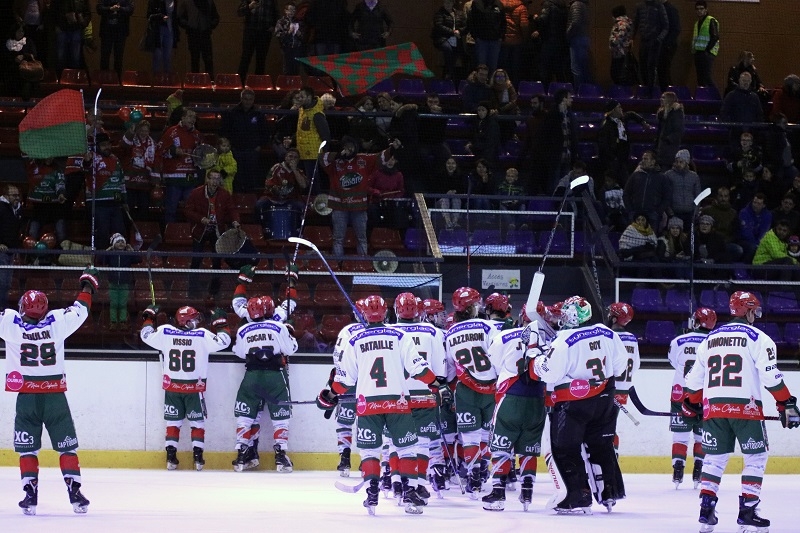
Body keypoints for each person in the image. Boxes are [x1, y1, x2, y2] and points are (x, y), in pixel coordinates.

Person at [684, 291, 799, 532]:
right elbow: (771, 377)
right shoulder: (759, 337)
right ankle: (748, 510)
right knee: (755, 459)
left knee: (714, 460)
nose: (755, 316)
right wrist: (786, 403)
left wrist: (692, 403)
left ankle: (706, 508)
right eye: (753, 311)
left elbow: (694, 381)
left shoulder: (709, 339)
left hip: (714, 409)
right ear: (747, 311)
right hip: (746, 409)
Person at [323, 294, 437, 515]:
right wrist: (436, 384)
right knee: (406, 449)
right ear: (386, 312)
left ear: (364, 314)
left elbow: (344, 380)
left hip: (368, 406)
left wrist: (329, 395)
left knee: (370, 452)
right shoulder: (400, 335)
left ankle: (372, 494)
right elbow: (419, 369)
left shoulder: (354, 340)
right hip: (398, 403)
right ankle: (410, 493)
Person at [2, 267, 99, 515]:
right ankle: (75, 493)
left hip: (27, 398)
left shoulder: (9, 324)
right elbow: (82, 308)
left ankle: (30, 495)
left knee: (28, 449)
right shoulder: (57, 323)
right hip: (55, 396)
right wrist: (87, 282)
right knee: (67, 447)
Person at [527, 295, 627, 513]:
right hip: (605, 401)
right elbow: (620, 367)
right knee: (601, 446)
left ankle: (576, 496)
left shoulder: (564, 340)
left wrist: (534, 355)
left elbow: (548, 373)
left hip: (574, 404)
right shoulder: (608, 332)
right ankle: (609, 492)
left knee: (565, 448)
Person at [140, 304, 231, 471]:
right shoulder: (202, 335)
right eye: (194, 319)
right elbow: (225, 341)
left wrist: (149, 317)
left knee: (172, 423)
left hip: (172, 388)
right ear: (188, 322)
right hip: (194, 389)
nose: (197, 321)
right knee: (197, 423)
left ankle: (171, 458)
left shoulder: (165, 332)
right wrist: (221, 324)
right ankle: (198, 458)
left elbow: (145, 335)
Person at [482, 305, 546, 511]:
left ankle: (498, 493)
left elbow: (494, 364)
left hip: (510, 397)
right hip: (537, 399)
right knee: (528, 448)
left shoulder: (505, 335)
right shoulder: (549, 338)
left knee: (501, 446)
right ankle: (527, 492)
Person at [443, 287, 503, 498]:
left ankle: (473, 478)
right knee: (486, 434)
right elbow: (499, 356)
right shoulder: (488, 327)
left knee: (469, 436)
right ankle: (483, 471)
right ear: (472, 307)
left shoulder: (450, 333)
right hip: (492, 389)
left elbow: (449, 370)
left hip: (466, 390)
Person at [230, 294, 298, 472]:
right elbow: (290, 349)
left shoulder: (243, 330)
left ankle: (241, 455)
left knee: (246, 417)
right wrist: (291, 335)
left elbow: (238, 353)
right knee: (280, 418)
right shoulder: (278, 326)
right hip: (275, 376)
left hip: (252, 376)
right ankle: (281, 457)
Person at [392, 292, 448, 503]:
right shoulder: (433, 332)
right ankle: (420, 485)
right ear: (419, 311)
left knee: (397, 442)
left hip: (398, 395)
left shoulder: (389, 333)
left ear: (396, 310)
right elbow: (440, 370)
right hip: (425, 393)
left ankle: (396, 481)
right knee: (423, 443)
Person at [320, 136, 400, 257]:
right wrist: (337, 156)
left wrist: (392, 148)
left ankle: (362, 265)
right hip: (339, 207)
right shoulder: (335, 162)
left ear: (356, 147)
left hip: (359, 208)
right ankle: (337, 266)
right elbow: (321, 158)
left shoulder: (363, 159)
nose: (348, 149)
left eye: (351, 147)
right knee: (338, 239)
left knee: (362, 238)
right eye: (346, 147)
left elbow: (381, 157)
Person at [667, 307, 716, 489]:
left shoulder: (679, 340)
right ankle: (699, 468)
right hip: (706, 395)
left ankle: (678, 469)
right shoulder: (716, 341)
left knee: (680, 436)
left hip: (680, 393)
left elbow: (673, 361)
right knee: (700, 436)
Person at [316, 299, 366, 477]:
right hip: (372, 386)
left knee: (344, 420)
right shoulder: (383, 331)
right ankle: (368, 461)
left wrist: (334, 383)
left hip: (348, 385)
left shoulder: (347, 331)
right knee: (369, 423)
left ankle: (344, 459)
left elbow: (338, 358)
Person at [184, 169, 240, 271]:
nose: (215, 181)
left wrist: (235, 220)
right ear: (207, 179)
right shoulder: (196, 193)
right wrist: (201, 219)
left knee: (217, 260)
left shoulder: (225, 194)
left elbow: (232, 209)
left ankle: (215, 285)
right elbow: (188, 211)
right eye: (213, 178)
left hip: (217, 230)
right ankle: (192, 284)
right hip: (200, 230)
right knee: (196, 259)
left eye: (218, 179)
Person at [155, 108, 203, 223]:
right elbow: (159, 152)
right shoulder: (171, 132)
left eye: (194, 117)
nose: (193, 119)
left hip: (190, 179)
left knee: (191, 210)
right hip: (174, 179)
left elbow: (201, 157)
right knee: (171, 210)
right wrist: (172, 152)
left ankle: (189, 235)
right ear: (183, 117)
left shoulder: (197, 135)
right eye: (190, 116)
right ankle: (169, 234)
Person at [84, 131, 128, 250]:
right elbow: (86, 168)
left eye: (109, 144)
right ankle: (101, 261)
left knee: (120, 233)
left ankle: (117, 261)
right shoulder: (92, 157)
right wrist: (87, 161)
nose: (108, 147)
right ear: (97, 146)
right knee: (102, 233)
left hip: (115, 203)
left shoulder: (115, 159)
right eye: (104, 145)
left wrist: (124, 200)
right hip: (98, 203)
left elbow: (121, 180)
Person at [220, 88, 268, 195]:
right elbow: (225, 131)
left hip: (252, 151)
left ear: (253, 100)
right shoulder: (231, 113)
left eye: (250, 99)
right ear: (241, 99)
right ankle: (237, 198)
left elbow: (265, 132)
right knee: (236, 175)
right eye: (245, 99)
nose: (248, 102)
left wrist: (259, 146)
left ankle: (250, 198)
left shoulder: (258, 114)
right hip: (236, 150)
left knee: (250, 176)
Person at [606, 302, 639, 453]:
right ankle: (613, 455)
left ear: (614, 319)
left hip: (607, 388)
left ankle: (608, 458)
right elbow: (636, 364)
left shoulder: (608, 336)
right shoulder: (632, 338)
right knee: (611, 424)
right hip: (623, 389)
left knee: (602, 426)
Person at [256, 147, 307, 236]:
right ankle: (262, 231)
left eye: (295, 157)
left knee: (302, 207)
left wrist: (294, 170)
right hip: (272, 198)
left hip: (291, 199)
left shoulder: (299, 171)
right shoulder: (276, 167)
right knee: (259, 204)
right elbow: (268, 184)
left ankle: (299, 233)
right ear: (285, 157)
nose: (292, 159)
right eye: (290, 156)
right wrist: (278, 190)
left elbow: (304, 185)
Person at [597, 99, 649, 186]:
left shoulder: (622, 119)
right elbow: (604, 145)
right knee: (614, 183)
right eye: (619, 107)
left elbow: (631, 114)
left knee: (625, 182)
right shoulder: (606, 126)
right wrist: (613, 158)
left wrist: (642, 121)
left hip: (623, 158)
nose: (621, 109)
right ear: (613, 110)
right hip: (613, 160)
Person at [623, 150, 670, 231]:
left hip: (652, 215)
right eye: (643, 159)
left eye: (646, 159)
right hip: (635, 213)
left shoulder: (662, 177)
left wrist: (658, 212)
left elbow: (667, 197)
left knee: (650, 241)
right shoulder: (635, 175)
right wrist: (630, 210)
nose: (643, 161)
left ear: (653, 161)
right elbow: (626, 194)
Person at [541, 88, 577, 193]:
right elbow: (546, 136)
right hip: (555, 156)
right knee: (554, 182)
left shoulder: (570, 115)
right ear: (563, 99)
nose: (572, 100)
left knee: (565, 184)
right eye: (569, 97)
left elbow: (573, 136)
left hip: (568, 155)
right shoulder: (552, 115)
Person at [295, 86, 331, 193]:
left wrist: (324, 153)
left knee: (313, 181)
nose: (299, 99)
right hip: (302, 150)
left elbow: (326, 136)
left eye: (302, 97)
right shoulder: (302, 110)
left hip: (313, 153)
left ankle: (315, 202)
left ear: (309, 97)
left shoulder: (317, 114)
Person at [25, 157, 68, 245]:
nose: (49, 159)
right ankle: (32, 256)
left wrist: (61, 194)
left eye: (51, 157)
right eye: (47, 156)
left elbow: (60, 183)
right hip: (38, 207)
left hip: (55, 207)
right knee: (32, 232)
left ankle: (62, 255)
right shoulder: (33, 167)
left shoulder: (57, 169)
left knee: (61, 233)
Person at [103, 232, 139, 331]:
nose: (120, 244)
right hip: (113, 283)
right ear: (113, 244)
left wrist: (132, 251)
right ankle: (113, 322)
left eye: (122, 242)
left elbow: (138, 259)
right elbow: (101, 260)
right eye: (118, 242)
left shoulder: (127, 255)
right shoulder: (110, 255)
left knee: (123, 304)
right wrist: (106, 252)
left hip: (124, 283)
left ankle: (123, 322)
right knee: (114, 303)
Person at [236, 0, 278, 84]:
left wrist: (273, 26)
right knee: (245, 58)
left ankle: (258, 84)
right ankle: (240, 82)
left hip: (265, 32)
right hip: (250, 31)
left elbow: (276, 14)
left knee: (261, 59)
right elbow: (239, 12)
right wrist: (249, 6)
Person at [120, 119, 156, 216]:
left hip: (144, 181)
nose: (144, 133)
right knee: (129, 207)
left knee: (144, 208)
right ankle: (127, 230)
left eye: (146, 131)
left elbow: (154, 162)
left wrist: (155, 180)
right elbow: (124, 144)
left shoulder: (152, 143)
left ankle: (142, 228)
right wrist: (131, 132)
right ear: (138, 130)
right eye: (142, 130)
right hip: (130, 180)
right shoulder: (132, 139)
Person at [632, 0, 668, 91]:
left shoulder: (659, 6)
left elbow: (666, 26)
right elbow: (635, 23)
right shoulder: (640, 6)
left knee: (651, 67)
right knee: (643, 66)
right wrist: (631, 38)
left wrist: (659, 39)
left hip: (654, 41)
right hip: (644, 40)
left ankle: (650, 90)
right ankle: (645, 89)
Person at [177, 0, 219, 78]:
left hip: (204, 34)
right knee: (195, 60)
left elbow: (216, 17)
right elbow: (179, 18)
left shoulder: (209, 2)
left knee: (207, 60)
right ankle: (196, 82)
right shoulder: (187, 2)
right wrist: (188, 25)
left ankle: (208, 82)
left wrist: (209, 25)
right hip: (194, 34)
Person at [664, 149, 701, 230]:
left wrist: (695, 212)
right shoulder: (668, 175)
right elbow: (665, 194)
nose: (678, 164)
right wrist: (670, 212)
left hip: (690, 213)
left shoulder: (694, 176)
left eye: (681, 162)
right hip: (674, 212)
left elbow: (698, 195)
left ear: (686, 162)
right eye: (677, 161)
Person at [96, 0, 133, 78]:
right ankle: (103, 81)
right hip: (106, 31)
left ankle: (117, 82)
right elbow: (99, 9)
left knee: (118, 59)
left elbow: (130, 9)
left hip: (121, 32)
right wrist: (110, 9)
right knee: (104, 58)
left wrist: (119, 9)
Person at [52, 0, 91, 73]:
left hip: (76, 29)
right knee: (61, 58)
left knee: (75, 58)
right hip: (62, 29)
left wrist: (82, 24)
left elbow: (87, 13)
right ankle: (61, 80)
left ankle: (73, 80)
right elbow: (53, 11)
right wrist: (57, 25)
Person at [0, 184, 22, 311]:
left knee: (7, 283)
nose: (17, 198)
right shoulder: (1, 208)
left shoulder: (18, 209)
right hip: (1, 252)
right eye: (14, 195)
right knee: (2, 282)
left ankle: (3, 308)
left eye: (18, 195)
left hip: (11, 251)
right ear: (6, 196)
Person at [467, 0, 505, 74]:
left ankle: (491, 85)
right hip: (481, 41)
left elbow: (503, 22)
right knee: (481, 67)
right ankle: (480, 85)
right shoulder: (477, 3)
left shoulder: (499, 4)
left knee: (493, 67)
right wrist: (475, 36)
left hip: (495, 41)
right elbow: (471, 21)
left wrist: (501, 36)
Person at [432, 0, 467, 81]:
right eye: (446, 3)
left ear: (453, 3)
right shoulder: (439, 13)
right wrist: (452, 32)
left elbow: (465, 26)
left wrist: (460, 31)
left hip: (457, 39)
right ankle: (449, 74)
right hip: (442, 39)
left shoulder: (459, 14)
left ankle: (455, 77)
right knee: (448, 49)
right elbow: (439, 26)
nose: (447, 4)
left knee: (464, 55)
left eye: (449, 2)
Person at [691, 0, 719, 90]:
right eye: (697, 9)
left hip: (707, 53)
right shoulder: (697, 23)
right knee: (700, 78)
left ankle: (716, 97)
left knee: (707, 77)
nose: (699, 11)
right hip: (698, 53)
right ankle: (703, 97)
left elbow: (715, 37)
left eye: (701, 9)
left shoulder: (711, 20)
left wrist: (707, 50)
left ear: (706, 9)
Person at [146, 0, 180, 74]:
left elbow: (176, 16)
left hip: (170, 28)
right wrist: (161, 16)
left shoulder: (174, 1)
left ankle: (167, 80)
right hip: (158, 29)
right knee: (157, 55)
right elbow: (149, 15)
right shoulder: (155, 1)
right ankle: (156, 80)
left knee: (168, 56)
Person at [655, 91, 684, 169]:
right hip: (661, 148)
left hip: (669, 149)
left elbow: (678, 131)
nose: (661, 99)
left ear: (669, 99)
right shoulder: (663, 112)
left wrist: (667, 139)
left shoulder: (676, 112)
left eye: (664, 97)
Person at [466, 101, 501, 167]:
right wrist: (471, 144)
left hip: (488, 155)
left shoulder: (492, 123)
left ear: (487, 111)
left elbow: (491, 142)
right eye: (479, 110)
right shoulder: (477, 121)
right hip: (480, 152)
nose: (481, 113)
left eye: (483, 110)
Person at [275, 1, 305, 76]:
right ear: (285, 10)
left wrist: (299, 33)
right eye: (290, 10)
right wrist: (288, 32)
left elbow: (304, 37)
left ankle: (295, 86)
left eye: (294, 10)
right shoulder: (281, 21)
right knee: (287, 69)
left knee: (296, 69)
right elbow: (278, 34)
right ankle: (287, 86)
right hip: (286, 48)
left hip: (297, 48)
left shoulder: (299, 22)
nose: (292, 12)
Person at [608, 5, 635, 86]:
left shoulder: (621, 23)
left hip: (619, 52)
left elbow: (620, 36)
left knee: (617, 74)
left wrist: (613, 42)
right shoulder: (626, 22)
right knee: (618, 73)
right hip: (622, 51)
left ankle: (621, 92)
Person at [566, 0, 592, 85]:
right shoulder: (583, 5)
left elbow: (575, 23)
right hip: (583, 38)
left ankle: (578, 92)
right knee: (584, 68)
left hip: (577, 39)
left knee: (576, 68)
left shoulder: (576, 5)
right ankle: (585, 92)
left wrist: (568, 35)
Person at [657, 0, 680, 90]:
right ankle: (667, 94)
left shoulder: (670, 9)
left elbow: (676, 29)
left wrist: (667, 43)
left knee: (663, 70)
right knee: (662, 70)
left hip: (666, 45)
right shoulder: (660, 8)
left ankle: (667, 93)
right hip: (663, 44)